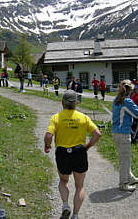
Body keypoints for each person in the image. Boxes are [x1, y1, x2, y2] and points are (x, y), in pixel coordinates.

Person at [44, 90, 101, 219]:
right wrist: (87, 147)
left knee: (64, 181)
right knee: (79, 186)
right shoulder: (83, 117)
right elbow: (97, 134)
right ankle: (75, 215)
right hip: (79, 152)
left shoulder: (56, 117)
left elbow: (48, 135)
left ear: (62, 102)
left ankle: (65, 205)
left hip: (63, 153)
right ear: (76, 103)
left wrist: (47, 146)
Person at [112, 80, 138, 192]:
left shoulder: (116, 100)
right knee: (125, 160)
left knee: (123, 158)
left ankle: (130, 177)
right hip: (123, 134)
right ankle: (123, 183)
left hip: (115, 133)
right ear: (130, 91)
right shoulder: (127, 101)